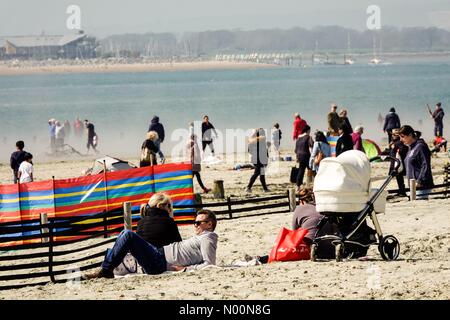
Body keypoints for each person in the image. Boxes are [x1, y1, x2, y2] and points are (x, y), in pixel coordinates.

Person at [83, 209, 218, 279]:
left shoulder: (209, 237)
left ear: (210, 224)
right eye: (194, 223)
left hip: (160, 262)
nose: (195, 226)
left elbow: (209, 264)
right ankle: (107, 268)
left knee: (128, 235)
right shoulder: (201, 237)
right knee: (126, 237)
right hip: (158, 255)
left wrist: (184, 269)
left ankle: (106, 270)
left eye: (198, 223)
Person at [238, 188, 321, 265]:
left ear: (302, 201)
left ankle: (261, 259)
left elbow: (294, 232)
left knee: (282, 251)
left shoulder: (300, 209)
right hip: (327, 247)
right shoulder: (323, 208)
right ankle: (260, 259)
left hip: (309, 248)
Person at [398, 125, 434, 200]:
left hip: (421, 186)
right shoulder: (410, 148)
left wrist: (420, 181)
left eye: (402, 136)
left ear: (410, 135)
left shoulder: (421, 146)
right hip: (413, 186)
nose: (401, 139)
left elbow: (425, 165)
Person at [246, 128, 269, 193]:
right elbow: (265, 151)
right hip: (260, 159)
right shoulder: (262, 140)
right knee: (257, 173)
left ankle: (265, 189)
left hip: (255, 159)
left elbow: (249, 151)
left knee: (261, 174)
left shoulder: (252, 141)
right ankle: (248, 187)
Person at [389, 129, 408, 196]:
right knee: (398, 177)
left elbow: (403, 150)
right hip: (395, 161)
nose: (392, 136)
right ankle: (401, 191)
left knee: (399, 177)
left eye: (394, 134)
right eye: (392, 134)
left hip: (398, 163)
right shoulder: (394, 142)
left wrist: (394, 148)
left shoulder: (399, 142)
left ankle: (402, 191)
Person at [294, 125, 313, 189]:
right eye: (309, 130)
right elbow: (311, 145)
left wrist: (297, 157)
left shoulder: (298, 138)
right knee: (312, 169)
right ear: (307, 130)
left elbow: (296, 149)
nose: (310, 132)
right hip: (306, 156)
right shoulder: (308, 137)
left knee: (301, 171)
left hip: (300, 156)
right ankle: (311, 183)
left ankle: (298, 185)